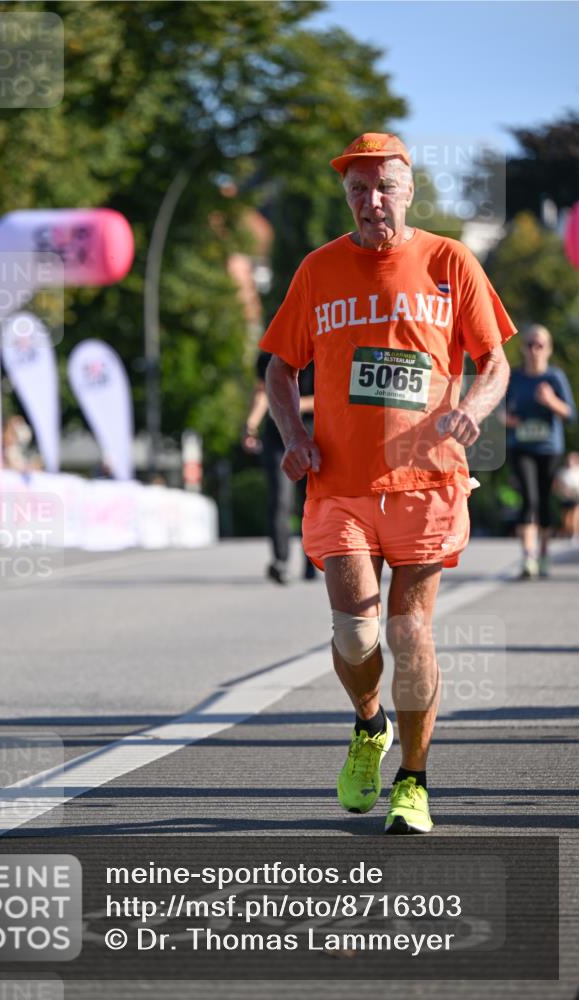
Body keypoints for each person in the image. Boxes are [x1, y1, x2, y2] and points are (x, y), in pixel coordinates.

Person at [260, 132, 515, 834]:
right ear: (347, 196)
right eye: (358, 190)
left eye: (384, 188)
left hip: (427, 483)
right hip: (339, 484)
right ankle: (369, 724)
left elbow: (494, 361)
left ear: (408, 191)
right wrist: (294, 437)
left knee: (409, 631)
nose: (371, 201)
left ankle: (413, 780)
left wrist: (471, 410)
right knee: (355, 635)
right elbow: (280, 367)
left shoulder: (449, 261)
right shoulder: (318, 269)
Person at [505, 325, 576, 577]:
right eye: (530, 345)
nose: (535, 350)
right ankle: (529, 557)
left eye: (540, 345)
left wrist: (550, 401)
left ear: (548, 349)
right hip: (520, 446)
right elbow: (500, 410)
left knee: (544, 503)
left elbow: (570, 414)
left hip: (549, 448)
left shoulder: (555, 377)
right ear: (523, 349)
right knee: (529, 499)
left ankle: (544, 553)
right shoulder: (514, 377)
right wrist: (506, 419)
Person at [242, 351, 316, 583]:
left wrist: (288, 401)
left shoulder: (320, 350)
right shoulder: (267, 355)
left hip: (314, 436)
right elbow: (263, 392)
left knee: (310, 501)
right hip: (278, 437)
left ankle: (312, 560)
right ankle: (280, 561)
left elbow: (328, 397)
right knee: (280, 500)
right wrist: (250, 425)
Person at [553, 452, 579, 541]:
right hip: (564, 497)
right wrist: (563, 491)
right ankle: (568, 532)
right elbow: (556, 485)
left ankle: (575, 533)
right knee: (566, 517)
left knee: (575, 515)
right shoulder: (562, 472)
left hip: (576, 497)